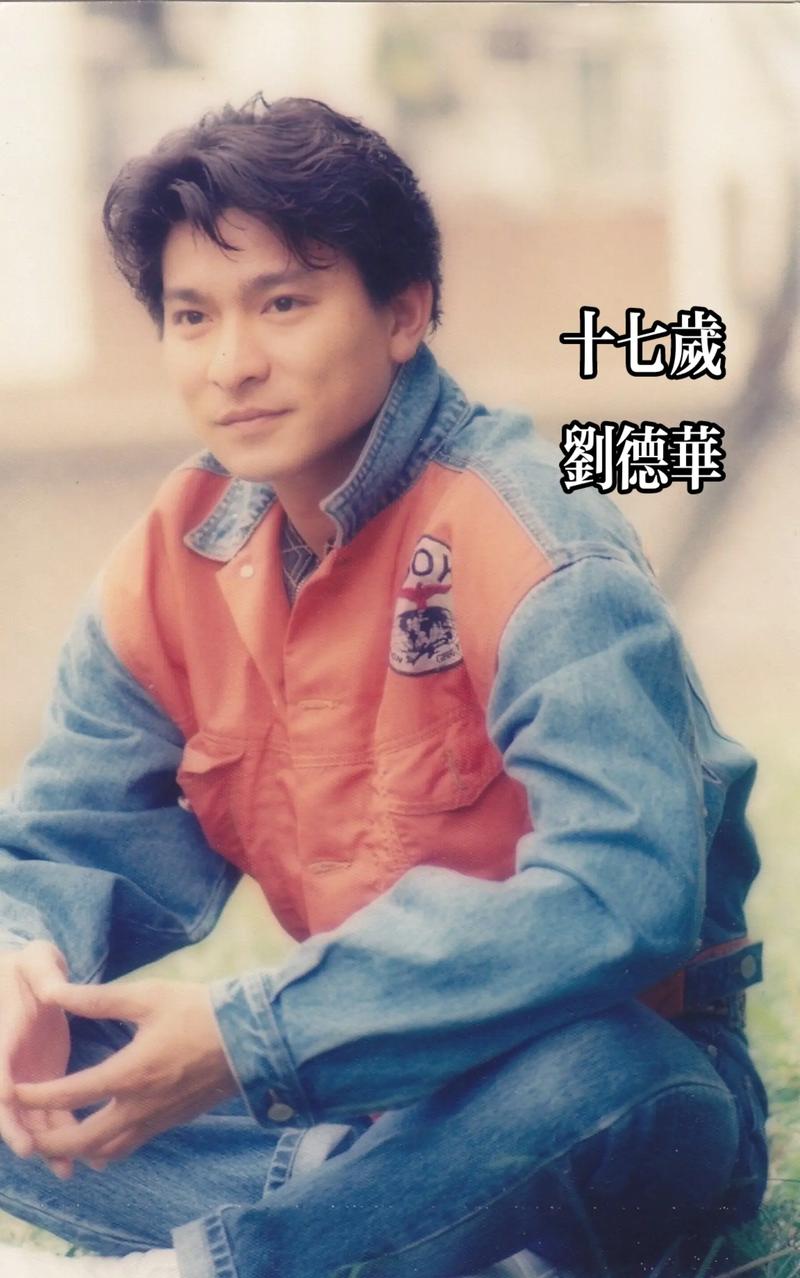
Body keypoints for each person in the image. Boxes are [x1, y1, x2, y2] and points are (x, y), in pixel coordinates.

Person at [0, 96, 768, 1278]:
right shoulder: (174, 559)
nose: (231, 363)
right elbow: (64, 842)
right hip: (351, 1119)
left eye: (283, 304)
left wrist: (253, 1039)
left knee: (607, 1074)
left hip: (582, 1096)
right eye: (192, 316)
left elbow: (621, 893)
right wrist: (18, 957)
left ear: (403, 312)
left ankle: (228, 1262)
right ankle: (388, 1222)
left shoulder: (534, 540)